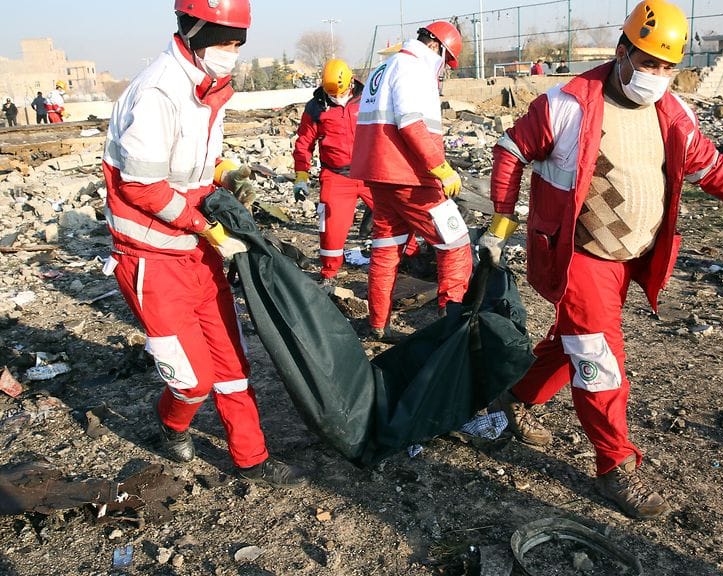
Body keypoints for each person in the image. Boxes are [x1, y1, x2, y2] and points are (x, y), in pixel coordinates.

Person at [478, 0, 723, 520]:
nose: (657, 76)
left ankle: (515, 393)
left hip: (630, 258)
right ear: (622, 52)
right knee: (599, 358)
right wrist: (502, 223)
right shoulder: (568, 104)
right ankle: (615, 465)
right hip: (580, 255)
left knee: (574, 340)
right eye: (648, 63)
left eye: (668, 67)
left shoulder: (673, 113)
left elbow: (711, 166)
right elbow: (511, 150)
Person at [102, 0, 305, 487]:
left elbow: (192, 161)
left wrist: (227, 172)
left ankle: (251, 457)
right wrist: (204, 226)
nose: (231, 53)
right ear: (193, 30)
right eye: (224, 41)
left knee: (232, 363)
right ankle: (171, 422)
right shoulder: (158, 92)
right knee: (192, 380)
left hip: (196, 254)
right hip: (152, 258)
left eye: (238, 43)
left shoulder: (204, 89)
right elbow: (141, 187)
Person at [351, 21, 471, 341]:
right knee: (455, 241)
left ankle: (378, 324)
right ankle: (453, 326)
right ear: (436, 47)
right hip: (411, 178)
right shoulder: (413, 67)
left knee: (386, 249)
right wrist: (440, 167)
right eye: (446, 60)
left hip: (380, 177)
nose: (444, 68)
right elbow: (411, 123)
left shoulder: (384, 67)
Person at [292, 59, 372, 290]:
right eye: (332, 94)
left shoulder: (368, 98)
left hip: (370, 172)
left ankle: (410, 256)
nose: (338, 97)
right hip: (336, 176)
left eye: (342, 91)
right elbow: (304, 143)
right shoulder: (316, 106)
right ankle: (329, 272)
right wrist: (301, 176)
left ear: (351, 81)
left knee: (397, 214)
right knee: (330, 227)